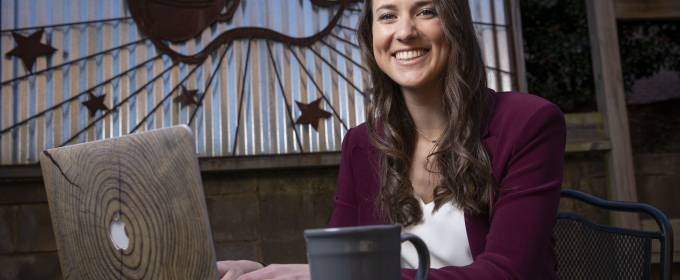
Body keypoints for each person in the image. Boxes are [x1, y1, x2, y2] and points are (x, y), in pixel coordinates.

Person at [217, 0, 566, 278]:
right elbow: (337, 261)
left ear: (455, 23)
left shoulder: (529, 123)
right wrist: (261, 271)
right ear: (372, 37)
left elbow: (506, 273)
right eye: (387, 15)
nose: (404, 31)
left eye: (426, 11)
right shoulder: (361, 143)